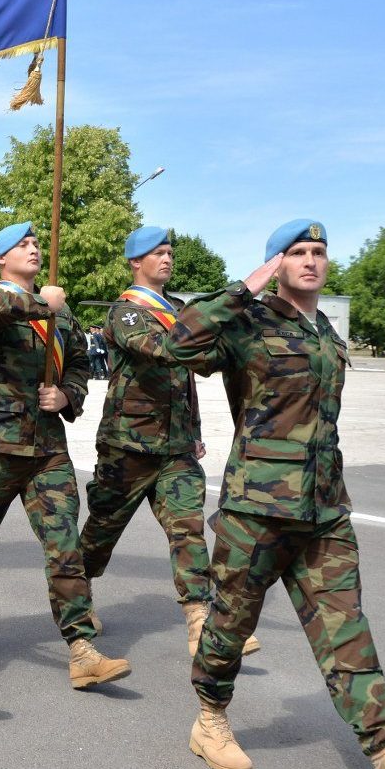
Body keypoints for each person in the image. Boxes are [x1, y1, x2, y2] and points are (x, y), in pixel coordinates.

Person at [170, 220, 385, 769]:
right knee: (229, 625)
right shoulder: (247, 322)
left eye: (318, 252)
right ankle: (210, 717)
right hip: (255, 510)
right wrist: (245, 286)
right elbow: (176, 344)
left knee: (348, 632)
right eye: (297, 253)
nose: (311, 261)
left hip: (323, 510)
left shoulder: (327, 334)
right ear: (276, 264)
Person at [0, 222, 130, 691]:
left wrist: (66, 396)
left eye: (34, 243)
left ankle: (81, 648)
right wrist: (45, 303)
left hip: (47, 448)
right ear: (2, 259)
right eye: (22, 246)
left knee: (65, 543)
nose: (33, 249)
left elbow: (83, 366)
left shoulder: (60, 316)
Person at [82, 226, 261, 658]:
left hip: (175, 449)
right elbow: (166, 351)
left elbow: (190, 376)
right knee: (100, 534)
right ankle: (77, 593)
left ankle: (200, 619)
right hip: (128, 446)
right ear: (135, 262)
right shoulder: (125, 313)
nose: (167, 259)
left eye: (169, 253)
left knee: (188, 529)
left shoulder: (179, 310)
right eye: (157, 253)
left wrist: (194, 431)